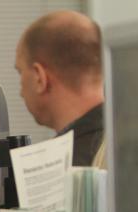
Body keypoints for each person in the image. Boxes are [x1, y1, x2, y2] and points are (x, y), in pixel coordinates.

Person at [15, 10, 104, 166]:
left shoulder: (58, 169)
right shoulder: (126, 145)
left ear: (40, 78)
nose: (21, 92)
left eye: (20, 72)